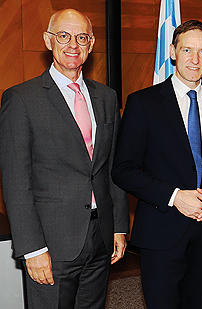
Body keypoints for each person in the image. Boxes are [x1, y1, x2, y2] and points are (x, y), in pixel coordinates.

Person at [0, 9, 129, 308]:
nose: (73, 44)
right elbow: (16, 182)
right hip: (51, 243)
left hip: (100, 237)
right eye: (64, 36)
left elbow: (110, 169)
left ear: (92, 43)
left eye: (82, 37)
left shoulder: (107, 97)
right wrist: (32, 249)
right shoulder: (21, 99)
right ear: (48, 40)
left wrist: (119, 227)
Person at [111, 20, 202, 308]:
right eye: (187, 50)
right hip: (161, 229)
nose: (195, 59)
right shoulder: (143, 102)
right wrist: (175, 197)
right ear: (172, 51)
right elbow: (123, 169)